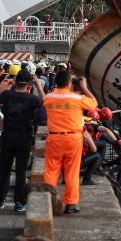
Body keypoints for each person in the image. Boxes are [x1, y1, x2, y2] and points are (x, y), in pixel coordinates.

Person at [42, 71, 98, 214]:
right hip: (73, 138)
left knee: (51, 170)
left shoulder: (49, 97)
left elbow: (45, 101)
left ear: (55, 82)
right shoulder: (77, 98)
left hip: (54, 138)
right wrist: (84, 87)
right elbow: (93, 105)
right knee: (72, 172)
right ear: (69, 83)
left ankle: (47, 199)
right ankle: (71, 203)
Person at [0, 69, 45, 211]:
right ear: (29, 83)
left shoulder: (7, 96)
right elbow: (44, 101)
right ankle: (19, 203)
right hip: (23, 137)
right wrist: (39, 85)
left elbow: (1, 96)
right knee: (21, 171)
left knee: (4, 168)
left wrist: (10, 85)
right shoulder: (32, 99)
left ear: (16, 81)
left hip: (7, 135)